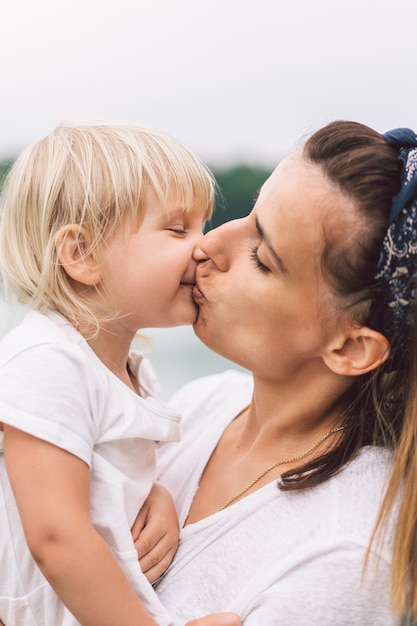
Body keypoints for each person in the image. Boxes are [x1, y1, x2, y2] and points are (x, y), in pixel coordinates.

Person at [132, 121, 417, 624]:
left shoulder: (340, 560)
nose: (208, 245)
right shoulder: (203, 404)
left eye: (261, 258)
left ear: (351, 348)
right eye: (247, 215)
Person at [0, 122, 240, 626]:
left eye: (204, 226)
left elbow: (100, 478)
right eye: (178, 229)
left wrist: (157, 495)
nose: (204, 246)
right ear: (82, 256)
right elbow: (55, 536)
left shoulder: (132, 372)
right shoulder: (46, 361)